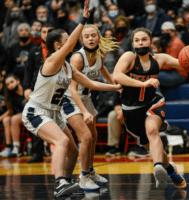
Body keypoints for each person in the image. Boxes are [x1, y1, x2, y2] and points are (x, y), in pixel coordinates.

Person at [21, 0, 121, 197]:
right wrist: (84, 19)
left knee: (73, 150)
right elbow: (71, 44)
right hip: (36, 111)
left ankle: (65, 185)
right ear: (59, 45)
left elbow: (91, 84)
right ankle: (60, 184)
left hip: (55, 112)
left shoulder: (67, 67)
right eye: (67, 41)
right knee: (62, 142)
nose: (71, 43)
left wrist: (116, 87)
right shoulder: (51, 62)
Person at [113, 27, 189, 189]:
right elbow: (117, 76)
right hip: (131, 109)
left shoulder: (160, 59)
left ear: (151, 42)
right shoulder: (128, 57)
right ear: (133, 43)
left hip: (152, 103)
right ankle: (170, 169)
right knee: (152, 147)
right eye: (137, 40)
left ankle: (157, 168)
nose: (140, 42)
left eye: (144, 39)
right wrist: (143, 83)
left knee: (152, 131)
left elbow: (185, 64)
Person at [61, 24, 119, 191]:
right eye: (87, 36)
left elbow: (102, 68)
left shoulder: (101, 53)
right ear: (81, 40)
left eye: (93, 35)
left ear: (98, 37)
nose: (91, 38)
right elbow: (72, 89)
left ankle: (90, 171)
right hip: (70, 99)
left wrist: (114, 83)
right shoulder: (78, 58)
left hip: (85, 98)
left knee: (93, 135)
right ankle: (83, 176)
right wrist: (85, 111)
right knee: (86, 137)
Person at [23, 22, 55, 163]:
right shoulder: (33, 51)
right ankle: (38, 152)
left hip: (55, 91)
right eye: (43, 31)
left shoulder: (59, 50)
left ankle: (60, 148)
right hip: (37, 91)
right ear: (40, 34)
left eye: (49, 31)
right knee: (34, 117)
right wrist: (26, 88)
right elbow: (28, 71)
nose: (46, 34)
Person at [2, 75, 26, 158]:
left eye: (12, 82)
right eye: (8, 84)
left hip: (35, 113)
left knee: (14, 119)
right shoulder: (11, 96)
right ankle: (13, 147)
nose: (10, 86)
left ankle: (16, 148)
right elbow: (10, 110)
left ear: (18, 81)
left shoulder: (27, 88)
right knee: (9, 119)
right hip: (23, 115)